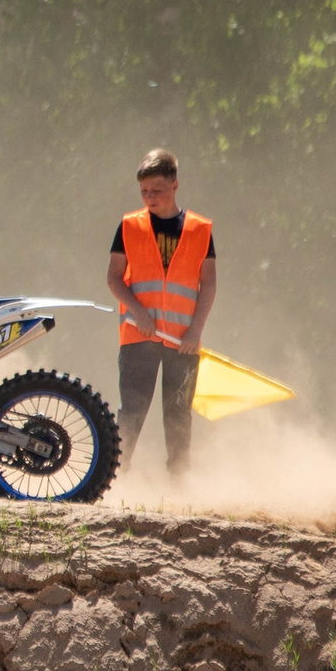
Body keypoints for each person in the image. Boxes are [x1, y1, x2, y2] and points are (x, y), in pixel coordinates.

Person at [105, 149, 216, 475]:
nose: (149, 197)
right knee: (132, 411)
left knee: (178, 413)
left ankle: (179, 480)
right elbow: (113, 278)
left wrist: (196, 331)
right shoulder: (129, 226)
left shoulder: (200, 229)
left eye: (157, 190)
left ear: (175, 185)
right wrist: (139, 313)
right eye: (144, 192)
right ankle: (116, 476)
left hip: (183, 341)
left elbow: (209, 284)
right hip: (138, 336)